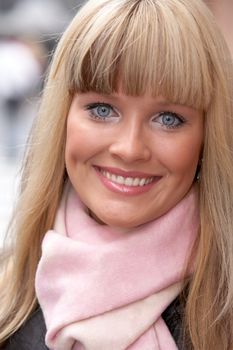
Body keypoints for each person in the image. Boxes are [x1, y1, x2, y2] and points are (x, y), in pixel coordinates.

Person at [1, 0, 233, 349]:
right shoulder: (6, 296)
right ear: (62, 118)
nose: (129, 148)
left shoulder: (223, 312)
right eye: (102, 109)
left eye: (168, 118)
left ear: (206, 138)